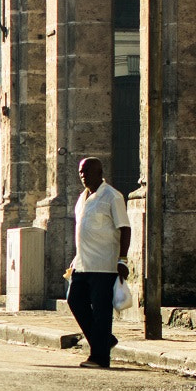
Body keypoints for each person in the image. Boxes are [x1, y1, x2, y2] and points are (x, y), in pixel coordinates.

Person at [64, 156, 132, 368]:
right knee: (74, 300)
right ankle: (104, 341)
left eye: (87, 172)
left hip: (104, 264)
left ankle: (100, 357)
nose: (83, 176)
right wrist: (75, 261)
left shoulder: (112, 196)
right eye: (81, 173)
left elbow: (125, 228)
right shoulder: (83, 197)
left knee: (102, 311)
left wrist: (122, 259)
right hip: (82, 263)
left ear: (100, 172)